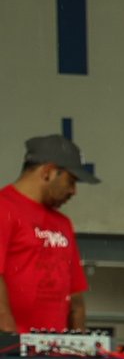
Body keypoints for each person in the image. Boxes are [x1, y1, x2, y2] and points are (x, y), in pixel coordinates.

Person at [0, 134, 96, 336]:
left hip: (54, 352)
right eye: (71, 181)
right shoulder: (4, 207)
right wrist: (7, 336)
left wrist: (80, 346)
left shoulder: (63, 223)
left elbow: (75, 295)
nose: (74, 191)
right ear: (48, 172)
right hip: (11, 351)